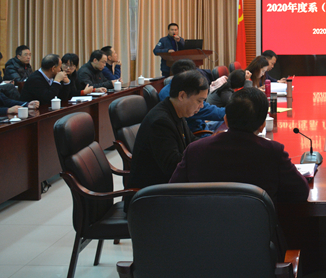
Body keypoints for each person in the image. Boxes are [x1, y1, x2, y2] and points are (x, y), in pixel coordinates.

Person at [170, 87, 309, 202]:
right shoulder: (273, 152)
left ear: (226, 120)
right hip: (257, 226)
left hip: (204, 226)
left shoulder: (195, 150)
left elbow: (172, 193)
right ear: (262, 125)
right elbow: (301, 192)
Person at [129, 70, 207, 195]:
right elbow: (173, 166)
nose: (202, 106)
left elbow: (191, 141)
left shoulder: (175, 111)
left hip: (166, 187)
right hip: (152, 195)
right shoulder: (161, 122)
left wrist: (212, 145)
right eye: (199, 100)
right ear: (182, 96)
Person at [159, 59, 225, 136]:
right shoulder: (179, 99)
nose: (201, 105)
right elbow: (209, 111)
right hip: (198, 132)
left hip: (201, 126)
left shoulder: (174, 89)